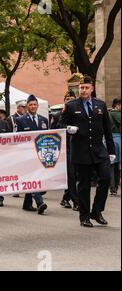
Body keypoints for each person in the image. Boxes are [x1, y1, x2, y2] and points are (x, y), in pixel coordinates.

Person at [60, 75, 116, 227]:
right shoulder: (71, 106)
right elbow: (60, 125)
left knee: (105, 178)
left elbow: (107, 129)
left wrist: (111, 151)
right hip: (81, 151)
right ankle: (84, 216)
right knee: (84, 185)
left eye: (86, 88)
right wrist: (68, 129)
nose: (83, 90)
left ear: (92, 89)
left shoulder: (100, 105)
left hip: (99, 150)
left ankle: (97, 211)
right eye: (81, 87)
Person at [16, 94, 50, 215]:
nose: (33, 106)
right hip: (27, 155)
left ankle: (27, 203)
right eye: (30, 104)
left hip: (41, 154)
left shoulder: (44, 120)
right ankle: (40, 203)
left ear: (37, 105)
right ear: (27, 106)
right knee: (33, 178)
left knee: (39, 178)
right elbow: (17, 139)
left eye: (35, 104)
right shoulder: (20, 120)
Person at [52, 90, 79, 211]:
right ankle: (76, 201)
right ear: (64, 101)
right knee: (71, 175)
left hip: (78, 148)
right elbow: (53, 132)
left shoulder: (78, 114)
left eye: (72, 98)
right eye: (67, 99)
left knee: (76, 175)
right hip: (65, 149)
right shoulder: (57, 115)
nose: (70, 101)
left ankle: (65, 198)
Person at [109, 98, 121, 196]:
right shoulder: (117, 114)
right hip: (117, 140)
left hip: (107, 140)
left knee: (111, 165)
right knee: (116, 166)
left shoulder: (107, 113)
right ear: (117, 105)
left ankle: (112, 188)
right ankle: (115, 187)